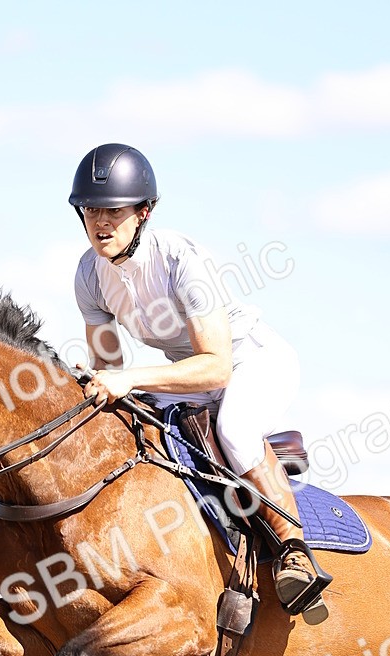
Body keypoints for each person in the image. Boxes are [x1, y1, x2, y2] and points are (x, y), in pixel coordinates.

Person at [70, 143, 330, 625]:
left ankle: (294, 551)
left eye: (113, 210)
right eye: (89, 210)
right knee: (128, 425)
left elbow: (215, 367)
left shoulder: (178, 258)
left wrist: (127, 379)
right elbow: (108, 367)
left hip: (250, 360)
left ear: (143, 212)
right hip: (185, 376)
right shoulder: (89, 274)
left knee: (233, 428)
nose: (99, 221)